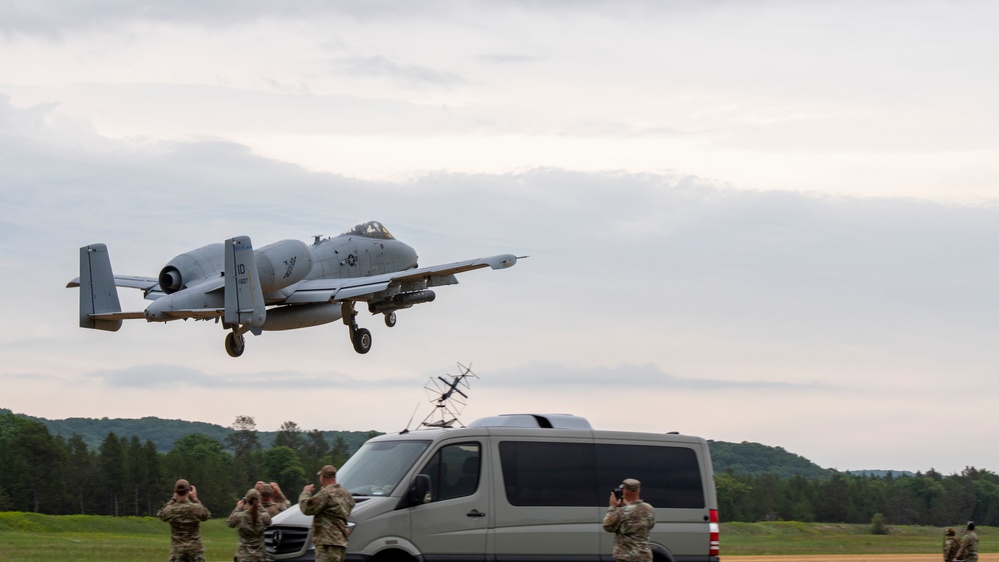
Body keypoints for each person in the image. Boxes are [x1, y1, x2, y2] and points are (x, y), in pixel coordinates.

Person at [299, 465, 356, 562]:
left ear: (322, 477)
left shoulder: (326, 493)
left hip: (327, 543)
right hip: (340, 542)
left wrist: (306, 492)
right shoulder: (346, 494)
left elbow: (306, 508)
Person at [157, 479, 211, 562]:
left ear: (175, 491)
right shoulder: (196, 508)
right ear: (188, 490)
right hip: (195, 549)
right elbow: (206, 516)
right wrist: (195, 499)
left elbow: (161, 515)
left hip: (177, 551)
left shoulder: (171, 509)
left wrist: (173, 500)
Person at [602, 478, 656, 562]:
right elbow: (650, 525)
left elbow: (607, 526)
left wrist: (612, 507)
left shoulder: (622, 512)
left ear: (624, 491)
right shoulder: (649, 509)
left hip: (627, 558)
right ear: (638, 490)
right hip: (645, 557)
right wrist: (627, 505)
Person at [227, 488, 272, 562]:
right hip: (260, 556)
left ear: (246, 501)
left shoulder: (240, 516)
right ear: (259, 501)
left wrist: (238, 508)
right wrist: (259, 505)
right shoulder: (264, 517)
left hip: (243, 556)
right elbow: (269, 522)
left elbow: (230, 523)